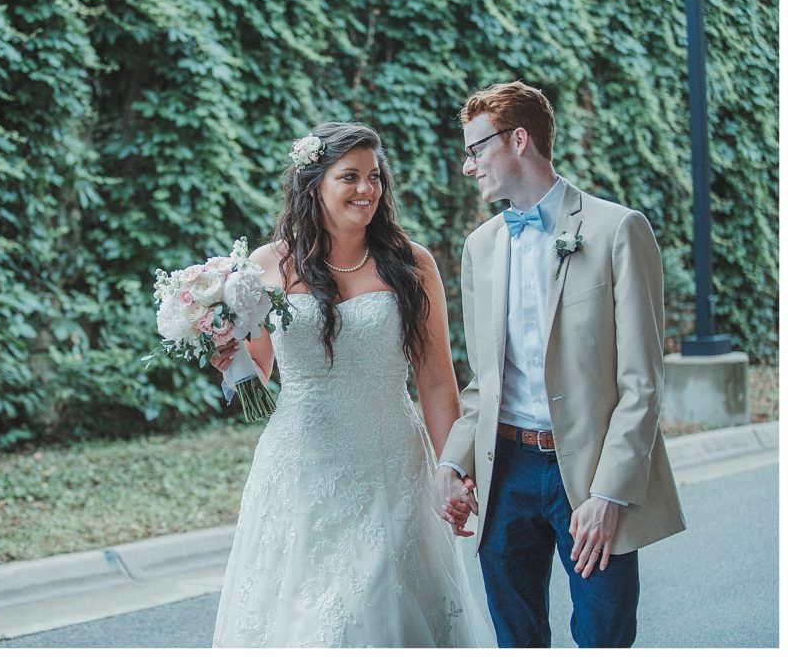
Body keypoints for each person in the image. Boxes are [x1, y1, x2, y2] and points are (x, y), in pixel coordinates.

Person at [209, 121, 494, 648]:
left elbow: (435, 381)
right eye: (350, 177)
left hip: (390, 467)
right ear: (314, 183)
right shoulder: (266, 266)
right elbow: (259, 369)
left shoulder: (413, 264)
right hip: (302, 469)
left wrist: (452, 468)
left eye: (374, 177)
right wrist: (224, 349)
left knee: (373, 611)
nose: (366, 189)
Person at [435, 81, 687, 648]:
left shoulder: (617, 230)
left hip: (591, 478)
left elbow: (642, 383)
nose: (468, 165)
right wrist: (453, 462)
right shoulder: (481, 247)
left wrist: (610, 494)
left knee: (603, 637)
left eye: (476, 149)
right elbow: (484, 385)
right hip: (507, 475)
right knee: (517, 641)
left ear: (518, 139)